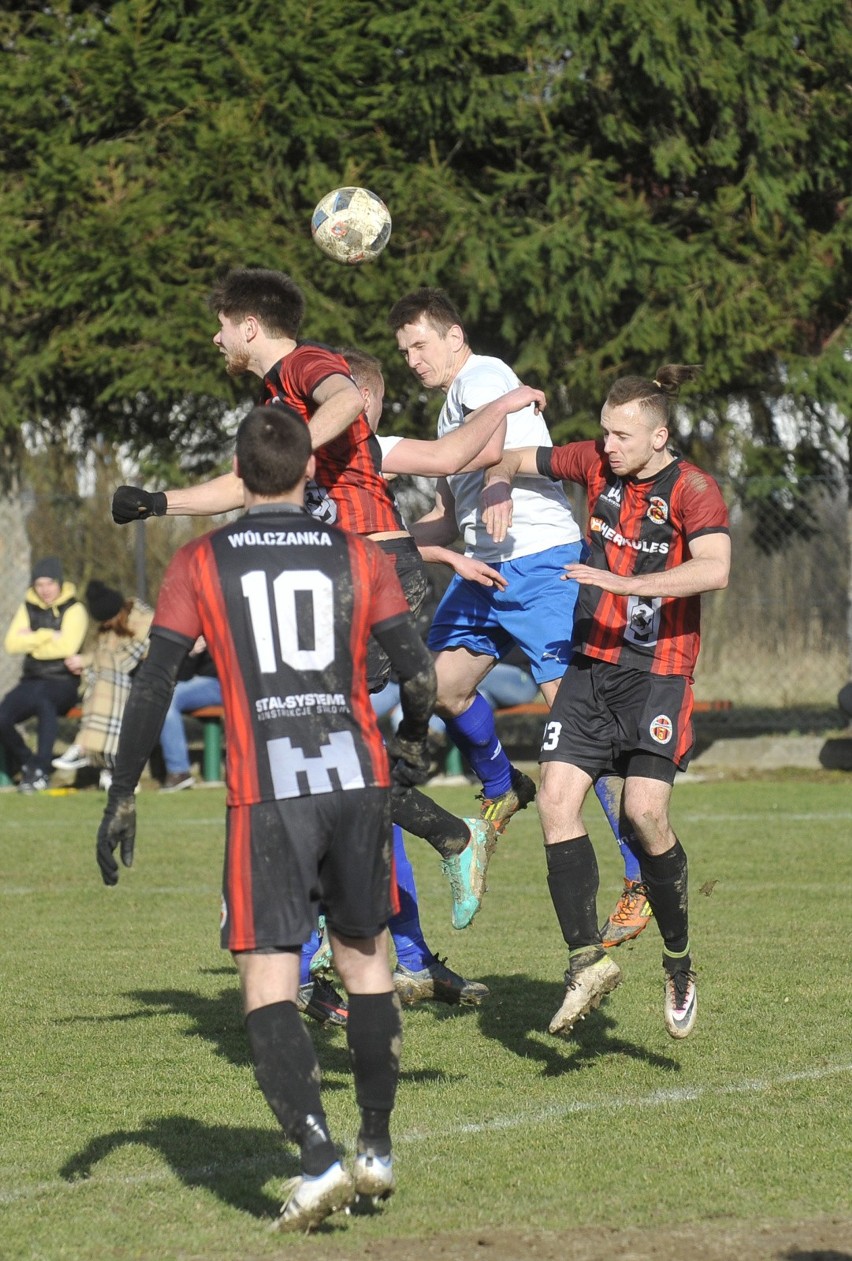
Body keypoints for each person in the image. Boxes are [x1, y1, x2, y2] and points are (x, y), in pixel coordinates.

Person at [109, 270, 542, 938]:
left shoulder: (306, 363)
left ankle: (421, 863)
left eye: (221, 324)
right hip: (349, 581)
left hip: (380, 572)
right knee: (325, 754)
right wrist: (162, 501)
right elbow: (243, 482)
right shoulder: (274, 392)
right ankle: (440, 849)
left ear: (248, 324)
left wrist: (295, 451)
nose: (216, 336)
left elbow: (341, 397)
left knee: (320, 747)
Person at [96, 404, 439, 1231]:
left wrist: (121, 790)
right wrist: (415, 741)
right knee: (367, 965)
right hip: (357, 783)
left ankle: (318, 1159)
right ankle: (377, 1148)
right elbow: (417, 672)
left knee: (267, 982)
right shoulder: (360, 554)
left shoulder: (201, 560)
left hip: (268, 793)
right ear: (311, 472)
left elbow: (153, 683)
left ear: (240, 478)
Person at [481, 365, 730, 1040]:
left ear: (659, 434)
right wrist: (499, 480)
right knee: (558, 802)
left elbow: (715, 568)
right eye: (603, 432)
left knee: (644, 815)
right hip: (591, 670)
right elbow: (508, 453)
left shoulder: (693, 489)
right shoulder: (594, 463)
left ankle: (678, 962)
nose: (608, 445)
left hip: (658, 674)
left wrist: (620, 584)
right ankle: (584, 961)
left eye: (622, 434)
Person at [388, 288, 638, 914]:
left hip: (539, 564)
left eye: (420, 344)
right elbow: (447, 517)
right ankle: (503, 787)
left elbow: (509, 447)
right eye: (404, 350)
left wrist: (497, 482)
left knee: (580, 730)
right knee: (438, 688)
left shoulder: (484, 375)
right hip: (483, 569)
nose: (413, 359)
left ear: (454, 336)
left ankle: (640, 877)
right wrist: (377, 544)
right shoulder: (452, 412)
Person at [53, 580, 153, 791]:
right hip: (119, 686)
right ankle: (113, 770)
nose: (106, 625)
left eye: (109, 620)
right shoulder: (111, 628)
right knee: (104, 683)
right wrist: (85, 661)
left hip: (148, 682)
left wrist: (88, 661)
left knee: (107, 681)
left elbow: (124, 662)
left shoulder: (145, 620)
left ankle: (84, 748)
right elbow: (105, 657)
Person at [0, 556, 88, 792]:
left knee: (44, 703)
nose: (45, 590)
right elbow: (11, 644)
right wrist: (48, 634)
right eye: (39, 585)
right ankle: (31, 763)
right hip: (32, 679)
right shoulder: (27, 607)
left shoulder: (75, 609)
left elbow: (67, 648)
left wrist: (30, 638)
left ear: (59, 583)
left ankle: (41, 771)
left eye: (49, 584)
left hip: (63, 681)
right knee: (3, 716)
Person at [155, 639, 222, 792]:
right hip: (201, 682)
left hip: (227, 683)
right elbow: (183, 675)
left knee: (168, 696)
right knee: (165, 695)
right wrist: (192, 654)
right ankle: (179, 773)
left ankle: (178, 771)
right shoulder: (201, 626)